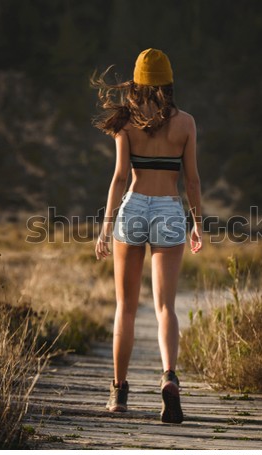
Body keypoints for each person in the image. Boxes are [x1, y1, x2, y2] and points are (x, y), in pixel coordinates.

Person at [91, 48, 202, 424]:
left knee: (126, 307)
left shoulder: (125, 123)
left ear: (136, 82)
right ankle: (169, 376)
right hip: (170, 209)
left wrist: (106, 226)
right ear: (168, 82)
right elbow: (192, 179)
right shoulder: (185, 122)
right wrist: (198, 223)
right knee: (165, 307)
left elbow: (120, 177)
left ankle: (119, 393)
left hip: (134, 207)